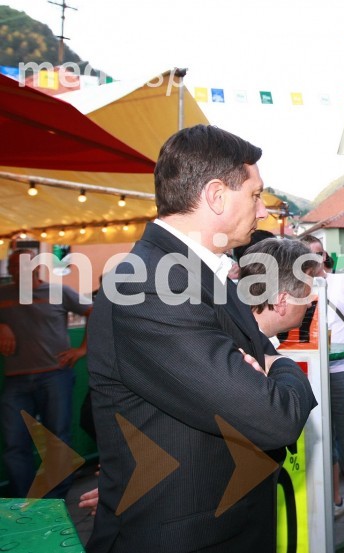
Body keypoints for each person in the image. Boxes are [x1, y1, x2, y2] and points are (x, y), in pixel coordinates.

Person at [86, 125, 317, 552]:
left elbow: (260, 355)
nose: (263, 211)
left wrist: (263, 366)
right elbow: (274, 418)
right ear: (215, 196)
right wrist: (282, 367)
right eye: (255, 195)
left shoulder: (199, 273)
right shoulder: (150, 284)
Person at [0, 248, 92, 499]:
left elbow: (94, 312)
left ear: (37, 268)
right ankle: (23, 500)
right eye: (14, 266)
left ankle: (54, 499)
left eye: (24, 265)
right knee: (14, 443)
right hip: (16, 380)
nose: (19, 270)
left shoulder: (59, 291)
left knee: (57, 440)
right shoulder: (3, 294)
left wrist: (82, 349)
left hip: (55, 376)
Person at [299, 235, 344, 532]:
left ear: (324, 255)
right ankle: (335, 502)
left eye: (318, 253)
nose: (313, 259)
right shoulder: (293, 289)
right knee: (321, 440)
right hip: (310, 373)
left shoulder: (342, 282)